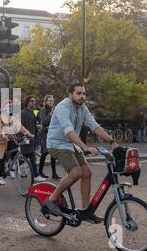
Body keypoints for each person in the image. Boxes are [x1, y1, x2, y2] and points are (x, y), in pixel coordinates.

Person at [44, 83, 118, 223]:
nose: (82, 96)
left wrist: (112, 142)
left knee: (87, 173)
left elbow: (94, 126)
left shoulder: (82, 108)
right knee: (75, 173)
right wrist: (85, 147)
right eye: (78, 93)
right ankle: (52, 200)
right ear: (70, 94)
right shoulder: (62, 107)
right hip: (57, 144)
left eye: (83, 93)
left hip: (71, 145)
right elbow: (69, 131)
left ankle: (86, 211)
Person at [0, 101, 34, 185]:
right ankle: (0, 176)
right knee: (2, 157)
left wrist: (28, 133)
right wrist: (3, 134)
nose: (9, 108)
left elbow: (20, 127)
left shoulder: (14, 117)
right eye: (8, 107)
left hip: (11, 138)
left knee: (16, 151)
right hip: (2, 140)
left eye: (11, 107)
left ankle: (11, 167)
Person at [20, 95, 45, 183]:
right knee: (29, 157)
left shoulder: (32, 112)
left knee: (28, 157)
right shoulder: (23, 112)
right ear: (27, 102)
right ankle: (35, 175)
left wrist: (37, 135)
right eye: (31, 101)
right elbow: (21, 126)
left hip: (32, 139)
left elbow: (34, 125)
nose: (34, 102)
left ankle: (16, 169)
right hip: (26, 138)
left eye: (34, 101)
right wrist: (26, 134)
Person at [37, 95, 60, 180]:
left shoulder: (55, 109)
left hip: (53, 133)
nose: (51, 102)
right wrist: (51, 114)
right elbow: (44, 122)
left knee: (53, 153)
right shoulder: (43, 110)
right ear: (46, 101)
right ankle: (40, 172)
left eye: (52, 101)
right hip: (45, 134)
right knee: (45, 153)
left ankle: (54, 173)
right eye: (50, 101)